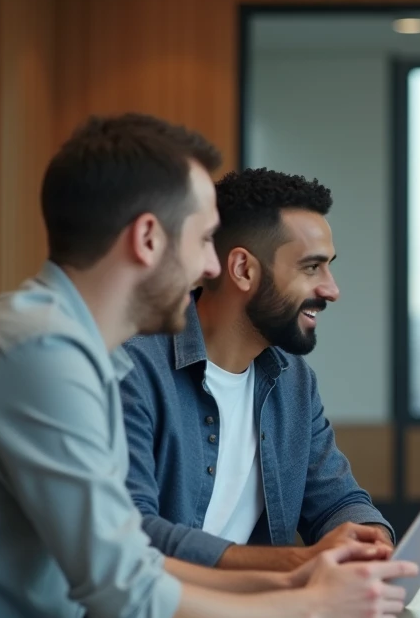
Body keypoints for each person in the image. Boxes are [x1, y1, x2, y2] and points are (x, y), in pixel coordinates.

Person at [0, 114, 416, 618]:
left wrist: (300, 576)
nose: (211, 266)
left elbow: (129, 553)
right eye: (204, 239)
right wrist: (307, 604)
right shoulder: (47, 351)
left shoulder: (82, 350)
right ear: (150, 239)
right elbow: (131, 599)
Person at [121, 168, 392, 572]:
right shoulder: (133, 369)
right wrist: (297, 560)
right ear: (243, 269)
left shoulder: (293, 381)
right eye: (311, 268)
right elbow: (134, 533)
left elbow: (337, 500)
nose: (332, 289)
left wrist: (371, 541)